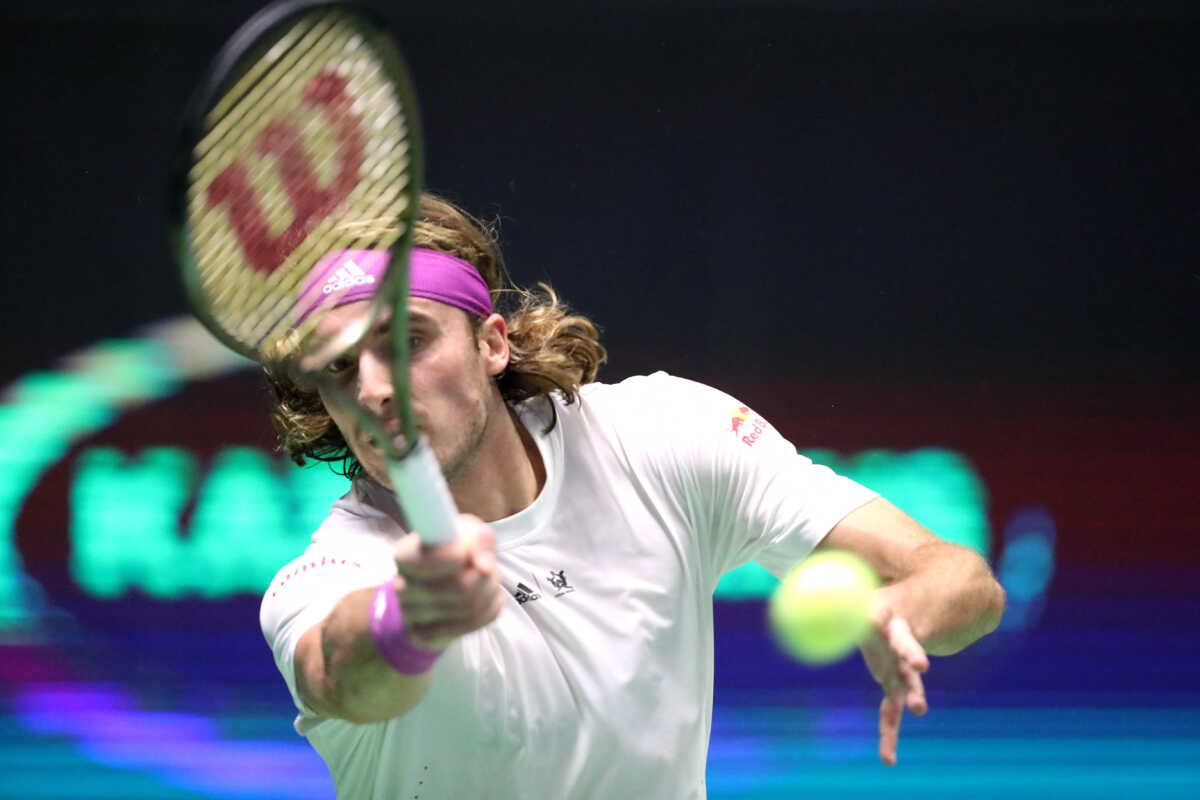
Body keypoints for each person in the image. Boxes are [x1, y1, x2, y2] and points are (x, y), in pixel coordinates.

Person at [260, 194, 1006, 798]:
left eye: (407, 341)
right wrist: (408, 619)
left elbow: (961, 579)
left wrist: (902, 611)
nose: (374, 389)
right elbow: (340, 676)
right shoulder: (337, 572)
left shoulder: (663, 437)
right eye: (341, 367)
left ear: (491, 345)